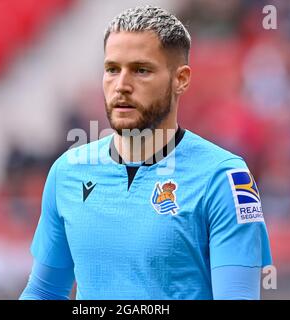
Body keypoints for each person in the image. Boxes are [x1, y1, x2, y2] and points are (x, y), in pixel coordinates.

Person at [20, 5, 272, 300]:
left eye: (141, 70)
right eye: (112, 69)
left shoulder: (224, 178)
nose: (122, 86)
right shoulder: (67, 172)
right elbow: (44, 291)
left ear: (181, 79)